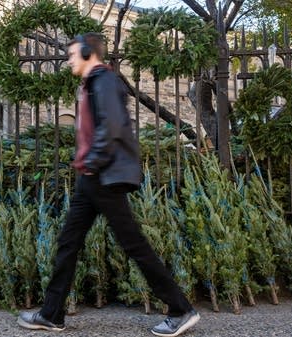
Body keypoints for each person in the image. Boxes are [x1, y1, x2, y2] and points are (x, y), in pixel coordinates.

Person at [17, 32, 200, 337]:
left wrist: (91, 162)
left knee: (134, 245)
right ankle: (51, 314)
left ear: (89, 52)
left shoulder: (103, 81)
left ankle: (181, 309)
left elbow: (112, 128)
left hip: (103, 177)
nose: (69, 59)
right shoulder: (93, 84)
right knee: (69, 243)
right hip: (93, 178)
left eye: (73, 54)